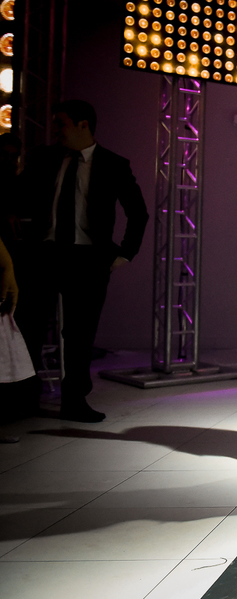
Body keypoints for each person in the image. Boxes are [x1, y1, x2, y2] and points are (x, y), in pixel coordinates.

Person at [16, 100, 148, 423]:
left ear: (83, 124)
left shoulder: (113, 164)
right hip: (44, 254)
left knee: (80, 335)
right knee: (30, 328)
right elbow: (20, 196)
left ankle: (74, 400)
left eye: (61, 123)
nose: (56, 131)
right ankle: (24, 398)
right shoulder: (45, 158)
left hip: (88, 260)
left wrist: (124, 254)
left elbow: (138, 212)